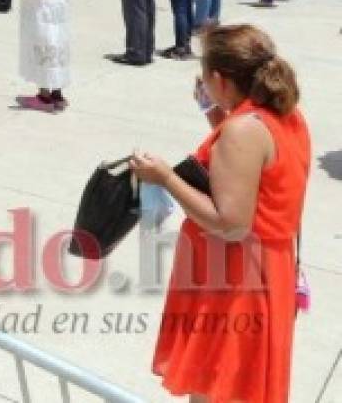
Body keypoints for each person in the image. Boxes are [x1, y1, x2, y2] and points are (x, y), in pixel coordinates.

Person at [132, 25, 309, 403]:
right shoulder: (281, 115)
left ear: (220, 79)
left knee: (218, 389)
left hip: (237, 280)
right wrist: (215, 113)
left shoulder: (243, 131)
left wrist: (164, 177)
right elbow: (247, 170)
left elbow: (230, 224)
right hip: (264, 270)